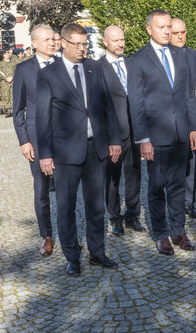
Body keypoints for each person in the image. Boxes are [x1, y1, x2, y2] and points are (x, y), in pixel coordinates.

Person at [36, 22, 122, 276]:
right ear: (63, 43)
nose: (83, 49)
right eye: (78, 44)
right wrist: (45, 154)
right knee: (66, 206)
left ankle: (97, 252)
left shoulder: (95, 68)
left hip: (96, 149)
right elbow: (43, 118)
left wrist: (114, 140)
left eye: (85, 44)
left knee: (96, 205)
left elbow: (109, 107)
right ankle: (72, 255)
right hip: (65, 154)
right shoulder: (49, 74)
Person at [127, 9, 196, 256]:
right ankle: (161, 234)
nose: (167, 31)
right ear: (149, 29)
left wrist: (194, 127)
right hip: (155, 138)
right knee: (157, 188)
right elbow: (136, 103)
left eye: (169, 26)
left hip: (181, 132)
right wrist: (143, 139)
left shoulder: (181, 56)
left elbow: (188, 95)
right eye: (162, 27)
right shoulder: (137, 60)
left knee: (178, 186)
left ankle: (179, 230)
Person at [12, 24, 56, 256]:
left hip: (64, 137)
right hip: (36, 139)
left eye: (54, 39)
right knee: (41, 190)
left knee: (68, 189)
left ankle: (70, 234)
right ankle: (46, 235)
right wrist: (24, 141)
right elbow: (18, 109)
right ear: (35, 43)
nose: (52, 42)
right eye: (47, 39)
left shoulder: (62, 65)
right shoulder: (23, 69)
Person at [99, 25, 145, 236]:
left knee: (134, 173)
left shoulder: (131, 63)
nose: (120, 44)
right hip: (114, 133)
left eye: (122, 39)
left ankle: (132, 215)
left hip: (136, 130)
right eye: (115, 40)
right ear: (105, 42)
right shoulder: (97, 68)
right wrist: (109, 137)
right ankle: (115, 217)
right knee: (113, 178)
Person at [169, 17, 196, 220]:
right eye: (176, 33)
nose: (180, 36)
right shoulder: (165, 57)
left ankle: (189, 204)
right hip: (172, 122)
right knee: (174, 168)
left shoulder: (194, 55)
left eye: (183, 32)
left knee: (191, 165)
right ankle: (175, 205)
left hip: (193, 119)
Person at [0, 49, 15, 116]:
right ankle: (8, 110)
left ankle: (13, 109)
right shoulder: (0, 64)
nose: (7, 55)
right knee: (6, 96)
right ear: (3, 55)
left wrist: (12, 77)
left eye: (8, 54)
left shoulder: (13, 62)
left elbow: (16, 71)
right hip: (5, 82)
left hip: (13, 81)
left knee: (13, 95)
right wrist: (6, 78)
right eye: (6, 54)